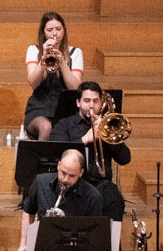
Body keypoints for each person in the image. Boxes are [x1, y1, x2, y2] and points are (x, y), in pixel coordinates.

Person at [49, 81, 130, 218]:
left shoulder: (107, 127)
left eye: (95, 101)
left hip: (101, 185)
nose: (91, 105)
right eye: (86, 101)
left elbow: (125, 159)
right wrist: (85, 140)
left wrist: (108, 135)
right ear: (78, 103)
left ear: (101, 103)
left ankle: (110, 233)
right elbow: (57, 153)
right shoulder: (64, 125)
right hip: (74, 184)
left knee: (115, 199)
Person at [23, 11, 83, 140]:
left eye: (58, 29)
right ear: (43, 32)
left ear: (64, 30)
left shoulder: (75, 52)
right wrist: (44, 57)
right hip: (38, 109)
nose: (54, 34)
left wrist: (62, 62)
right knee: (46, 127)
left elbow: (74, 88)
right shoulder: (33, 50)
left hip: (66, 111)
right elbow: (33, 83)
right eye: (49, 30)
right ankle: (40, 154)